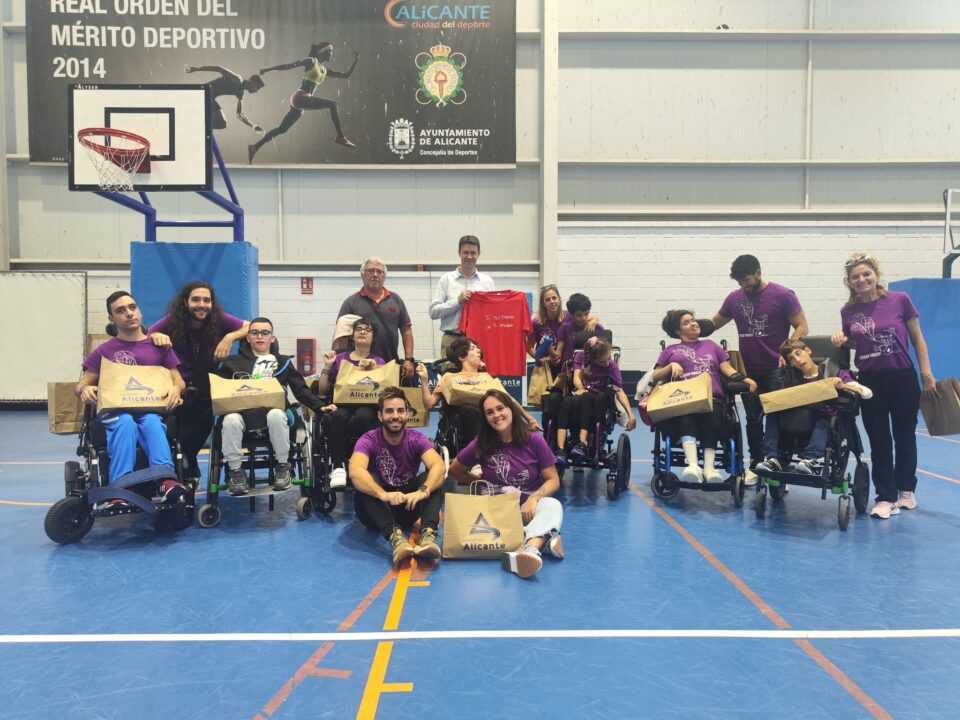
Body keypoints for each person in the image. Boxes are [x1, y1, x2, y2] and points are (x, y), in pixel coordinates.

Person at [831, 253, 937, 519]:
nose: (861, 279)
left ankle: (906, 490)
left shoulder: (900, 300)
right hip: (870, 381)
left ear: (876, 275)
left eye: (866, 273)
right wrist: (842, 339)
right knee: (878, 439)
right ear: (849, 282)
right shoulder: (848, 311)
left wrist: (926, 373)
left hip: (902, 377)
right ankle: (885, 497)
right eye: (855, 277)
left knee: (904, 435)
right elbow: (856, 341)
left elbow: (917, 337)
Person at [76, 291, 185, 498]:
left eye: (132, 307)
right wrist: (85, 389)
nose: (129, 313)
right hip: (116, 411)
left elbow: (178, 380)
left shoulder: (159, 346)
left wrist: (176, 389)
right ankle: (121, 488)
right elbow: (82, 384)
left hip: (149, 408)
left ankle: (165, 480)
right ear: (111, 318)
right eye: (120, 310)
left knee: (151, 422)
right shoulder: (104, 351)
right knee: (125, 423)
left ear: (140, 312)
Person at [711, 255, 808, 484]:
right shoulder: (734, 298)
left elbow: (802, 326)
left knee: (777, 417)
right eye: (739, 282)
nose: (743, 285)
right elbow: (713, 323)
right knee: (753, 420)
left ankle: (777, 464)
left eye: (746, 280)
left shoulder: (783, 295)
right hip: (748, 371)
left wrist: (789, 349)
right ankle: (756, 465)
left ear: (758, 272)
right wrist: (685, 327)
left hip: (776, 369)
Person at [448, 389, 564, 579]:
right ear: (485, 418)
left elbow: (553, 480)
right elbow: (454, 471)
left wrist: (534, 499)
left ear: (511, 409)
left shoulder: (533, 439)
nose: (496, 415)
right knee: (546, 522)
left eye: (500, 408)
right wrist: (481, 482)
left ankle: (530, 550)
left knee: (552, 505)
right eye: (490, 412)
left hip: (528, 509)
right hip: (496, 510)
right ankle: (542, 540)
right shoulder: (481, 444)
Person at [149, 280, 249, 483]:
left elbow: (249, 326)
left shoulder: (219, 319)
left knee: (204, 418)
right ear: (185, 302)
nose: (202, 304)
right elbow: (149, 334)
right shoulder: (172, 320)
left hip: (206, 380)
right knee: (175, 423)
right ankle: (184, 464)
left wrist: (229, 337)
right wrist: (156, 335)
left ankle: (187, 460)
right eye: (196, 300)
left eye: (206, 300)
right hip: (177, 380)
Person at [215, 318, 328, 496]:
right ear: (248, 338)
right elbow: (219, 390)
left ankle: (283, 466)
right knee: (230, 420)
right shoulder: (232, 362)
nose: (260, 336)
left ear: (272, 338)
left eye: (265, 333)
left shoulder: (283, 362)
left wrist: (320, 407)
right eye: (254, 333)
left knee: (276, 414)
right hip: (242, 416)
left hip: (276, 415)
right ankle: (235, 472)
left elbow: (301, 390)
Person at [652, 310, 757, 483]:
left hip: (712, 396)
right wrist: (671, 366)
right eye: (686, 322)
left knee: (712, 418)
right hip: (684, 396)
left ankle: (709, 469)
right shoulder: (670, 351)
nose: (694, 323)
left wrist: (745, 379)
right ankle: (693, 466)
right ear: (677, 331)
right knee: (685, 416)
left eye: (693, 320)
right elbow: (655, 376)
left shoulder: (711, 345)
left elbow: (728, 370)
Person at [349, 387, 446, 566]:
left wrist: (423, 491)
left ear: (407, 414)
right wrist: (383, 495)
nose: (395, 416)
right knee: (367, 481)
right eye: (389, 411)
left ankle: (428, 536)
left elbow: (438, 466)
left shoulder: (416, 438)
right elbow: (355, 471)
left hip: (407, 506)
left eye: (400, 410)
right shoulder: (368, 439)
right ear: (380, 416)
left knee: (431, 479)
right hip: (375, 512)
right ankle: (396, 538)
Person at [756, 339, 872, 475]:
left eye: (798, 353)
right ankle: (772, 458)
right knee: (772, 412)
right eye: (791, 358)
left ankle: (810, 459)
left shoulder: (835, 373)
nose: (797, 360)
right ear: (790, 363)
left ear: (808, 351)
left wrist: (844, 386)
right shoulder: (790, 378)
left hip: (824, 423)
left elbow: (867, 393)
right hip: (796, 424)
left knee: (824, 418)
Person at [416, 336, 540, 451]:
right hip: (463, 418)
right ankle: (478, 453)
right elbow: (429, 404)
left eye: (477, 348)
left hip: (489, 416)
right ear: (461, 357)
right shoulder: (449, 377)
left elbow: (509, 399)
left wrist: (529, 419)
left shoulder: (486, 378)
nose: (478, 350)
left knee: (504, 409)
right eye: (472, 348)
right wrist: (424, 379)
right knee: (470, 409)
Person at [248, 42, 358, 162]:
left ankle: (255, 147)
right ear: (323, 52)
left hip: (301, 103)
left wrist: (355, 60)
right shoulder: (311, 61)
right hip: (301, 97)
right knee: (332, 104)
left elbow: (345, 75)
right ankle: (340, 137)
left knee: (282, 129)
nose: (332, 54)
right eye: (330, 51)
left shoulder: (325, 70)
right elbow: (288, 66)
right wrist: (268, 69)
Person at [317, 318, 385, 489]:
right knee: (337, 416)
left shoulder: (379, 361)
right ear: (352, 336)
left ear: (373, 337)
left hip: (369, 405)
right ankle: (338, 467)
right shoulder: (340, 359)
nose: (362, 332)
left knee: (363, 415)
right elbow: (323, 390)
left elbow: (385, 390)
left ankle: (366, 464)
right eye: (359, 329)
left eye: (367, 330)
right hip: (344, 404)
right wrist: (328, 367)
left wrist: (374, 369)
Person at [556, 337, 637, 464]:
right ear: (593, 359)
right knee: (566, 402)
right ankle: (560, 449)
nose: (607, 363)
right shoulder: (581, 357)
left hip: (600, 400)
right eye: (602, 361)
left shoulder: (611, 366)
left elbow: (620, 391)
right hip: (583, 394)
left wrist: (631, 415)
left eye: (608, 358)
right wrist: (582, 389)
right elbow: (576, 377)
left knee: (590, 398)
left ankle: (583, 443)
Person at [336, 257, 415, 379]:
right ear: (362, 275)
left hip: (390, 364)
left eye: (379, 271)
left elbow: (406, 331)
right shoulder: (351, 303)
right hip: (358, 368)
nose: (375, 274)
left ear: (384, 276)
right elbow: (340, 337)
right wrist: (340, 364)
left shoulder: (396, 300)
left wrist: (409, 359)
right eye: (370, 271)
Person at [429, 235, 495, 359]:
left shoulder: (487, 282)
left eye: (473, 253)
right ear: (459, 253)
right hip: (451, 340)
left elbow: (492, 316)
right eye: (465, 252)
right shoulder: (446, 279)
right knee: (450, 372)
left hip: (477, 342)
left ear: (479, 254)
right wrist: (457, 301)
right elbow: (433, 312)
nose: (469, 256)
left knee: (478, 373)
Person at [183, 64, 265, 132]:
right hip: (204, 91)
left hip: (207, 96)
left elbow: (239, 114)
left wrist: (253, 126)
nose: (256, 91)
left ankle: (194, 124)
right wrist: (196, 69)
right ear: (252, 82)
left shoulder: (240, 93)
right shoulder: (238, 79)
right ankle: (194, 124)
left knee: (222, 124)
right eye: (257, 88)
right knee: (222, 122)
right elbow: (219, 68)